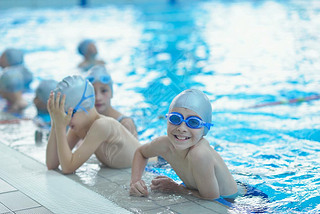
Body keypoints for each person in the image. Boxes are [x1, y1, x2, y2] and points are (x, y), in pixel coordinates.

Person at [130, 89, 239, 200]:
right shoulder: (164, 144)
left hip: (231, 200)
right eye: (175, 119)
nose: (181, 128)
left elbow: (211, 198)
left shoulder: (199, 153)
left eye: (193, 122)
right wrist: (135, 182)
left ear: (205, 128)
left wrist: (176, 188)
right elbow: (141, 152)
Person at [46, 75, 140, 174]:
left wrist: (60, 127)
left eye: (67, 113)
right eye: (61, 115)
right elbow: (52, 164)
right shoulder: (79, 127)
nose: (65, 119)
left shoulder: (102, 125)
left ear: (85, 106)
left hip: (150, 164)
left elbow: (68, 167)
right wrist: (55, 122)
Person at [86, 65, 138, 138]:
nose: (98, 98)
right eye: (92, 93)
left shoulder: (125, 124)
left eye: (104, 91)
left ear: (112, 93)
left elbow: (138, 149)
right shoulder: (84, 122)